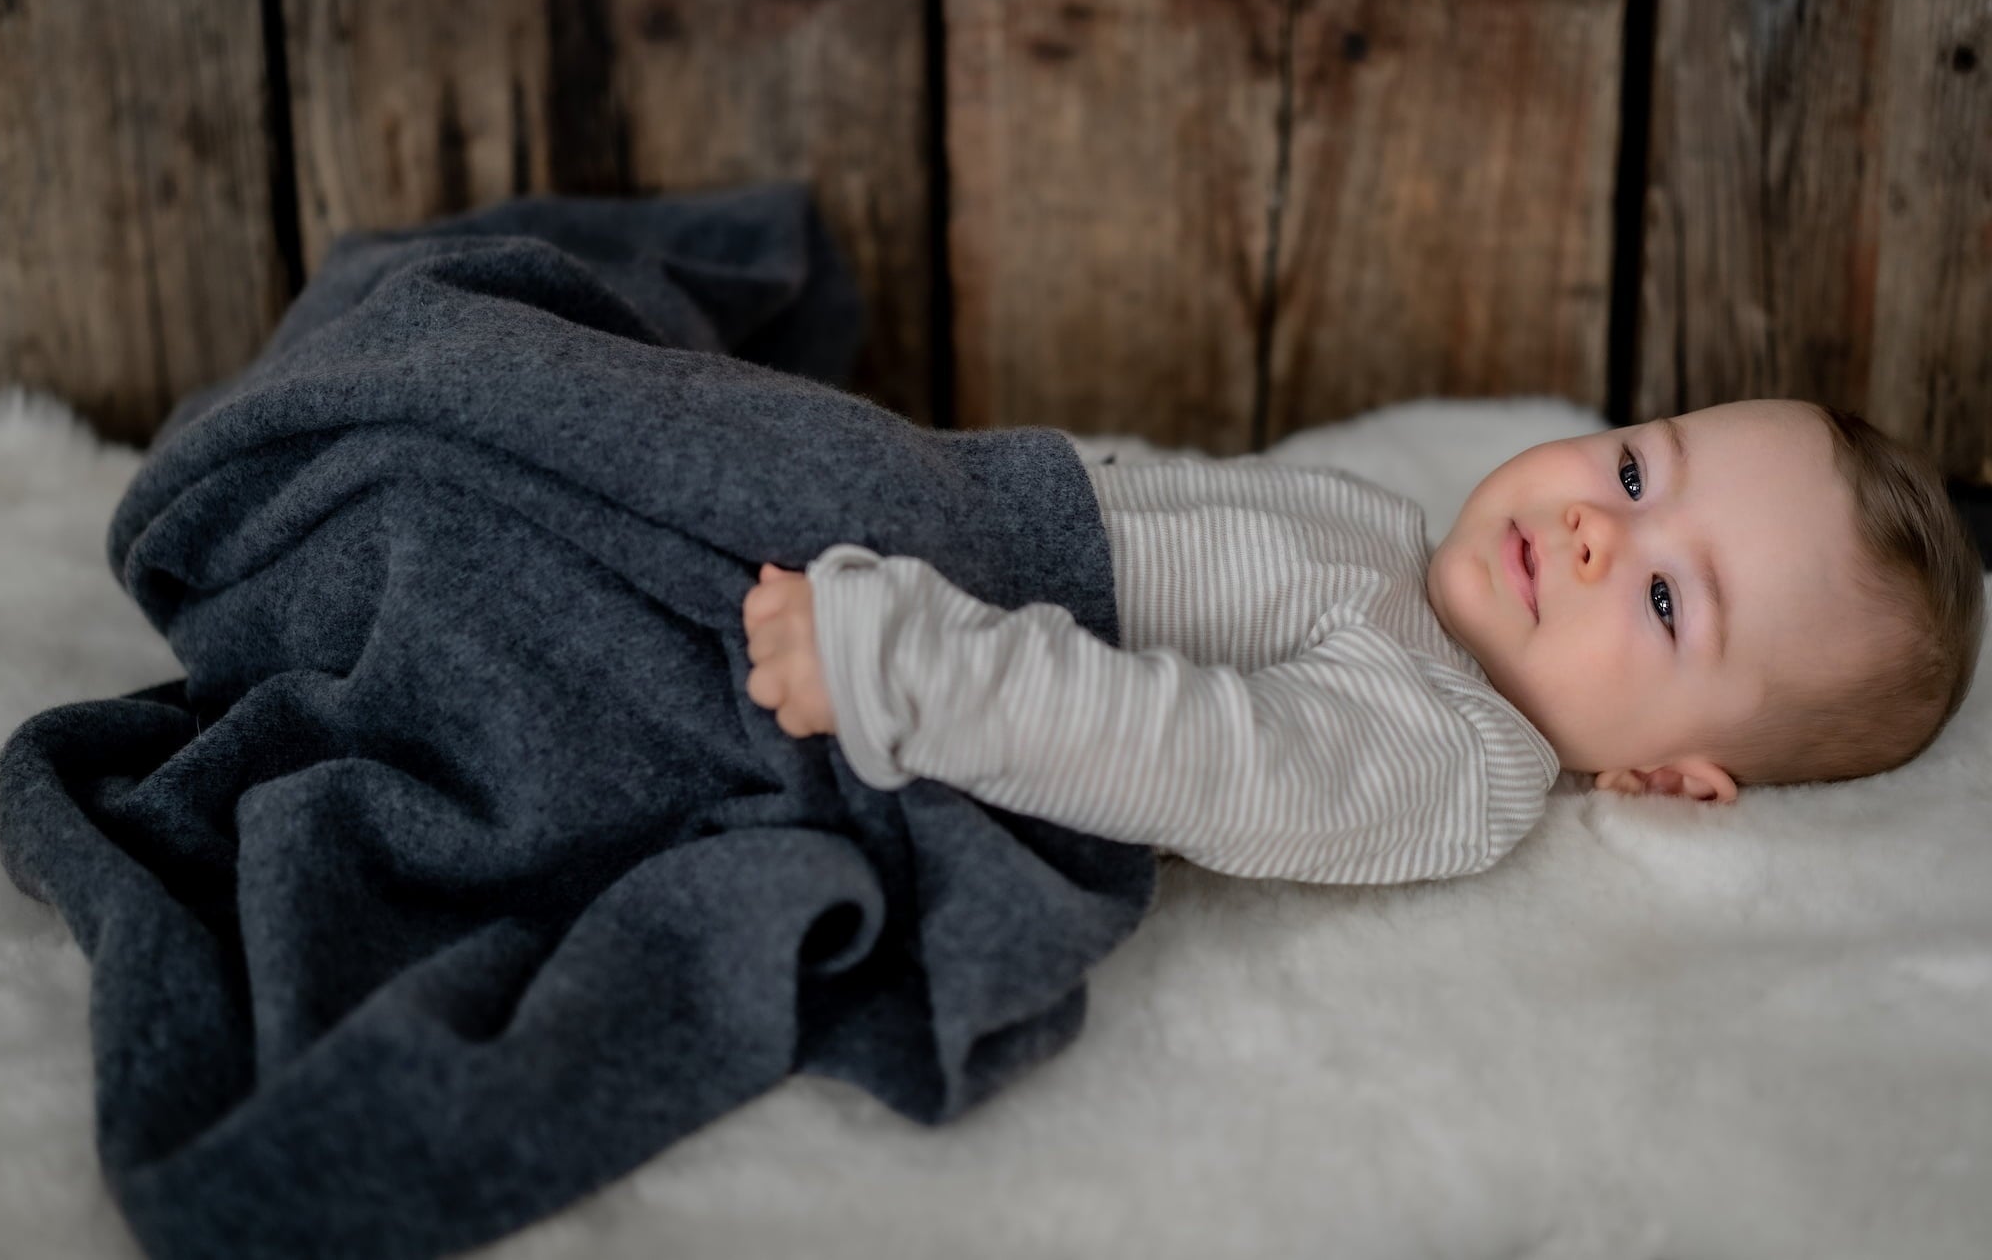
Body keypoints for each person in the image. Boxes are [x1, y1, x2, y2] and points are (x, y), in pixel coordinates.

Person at [740, 399, 1985, 884]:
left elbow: (1186, 753)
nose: (1594, 527)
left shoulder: (1450, 757)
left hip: (879, 677)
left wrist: (896, 668)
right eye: (1631, 466)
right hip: (925, 522)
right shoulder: (1394, 542)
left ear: (1663, 777)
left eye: (1666, 601)